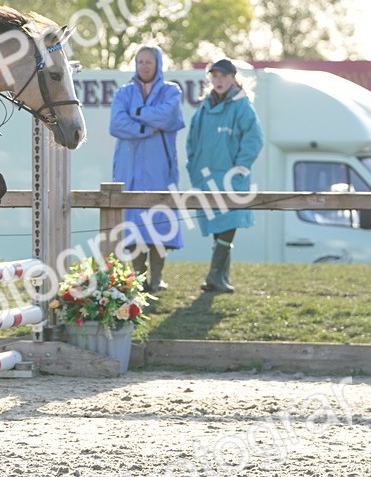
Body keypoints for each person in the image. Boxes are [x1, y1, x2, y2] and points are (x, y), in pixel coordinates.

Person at [108, 45, 185, 299]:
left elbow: (168, 115)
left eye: (149, 62)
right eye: (140, 61)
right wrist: (144, 128)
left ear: (158, 64)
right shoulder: (124, 92)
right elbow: (117, 124)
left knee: (159, 220)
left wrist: (138, 113)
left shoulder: (171, 91)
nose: (144, 66)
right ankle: (138, 277)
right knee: (134, 223)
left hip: (159, 166)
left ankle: (157, 278)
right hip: (129, 167)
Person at [186, 58, 265, 294]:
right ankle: (219, 279)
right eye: (215, 76)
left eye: (223, 76)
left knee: (229, 225)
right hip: (206, 177)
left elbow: (254, 139)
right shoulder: (204, 106)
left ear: (233, 78)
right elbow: (192, 140)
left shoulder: (242, 105)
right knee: (220, 229)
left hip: (232, 177)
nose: (218, 81)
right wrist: (193, 166)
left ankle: (214, 275)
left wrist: (241, 166)